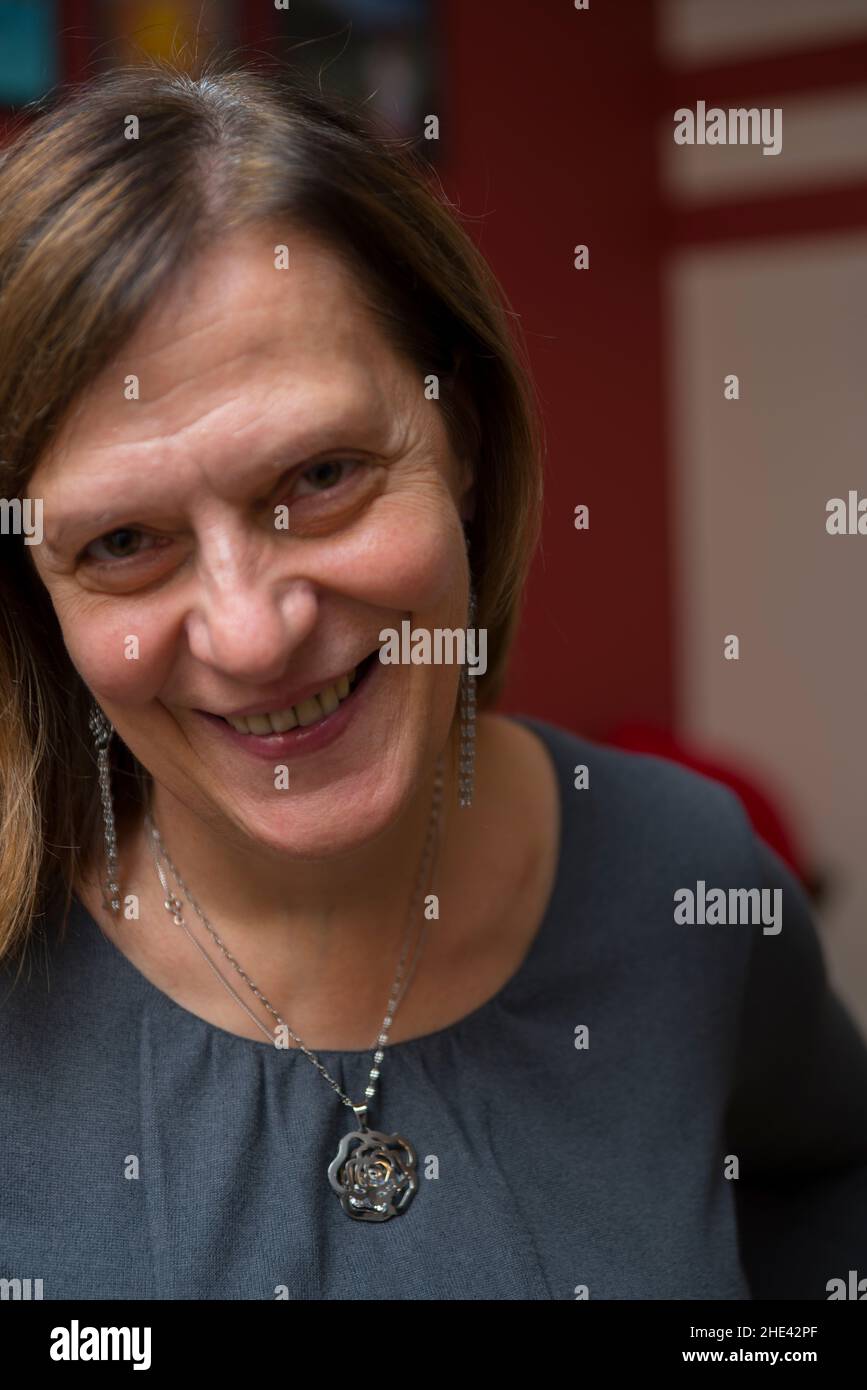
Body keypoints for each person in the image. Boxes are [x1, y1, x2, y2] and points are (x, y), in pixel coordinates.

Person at [1, 58, 865, 1302]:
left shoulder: (689, 881)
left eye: (321, 475)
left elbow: (827, 1181)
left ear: (457, 437)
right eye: (122, 543)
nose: (251, 635)